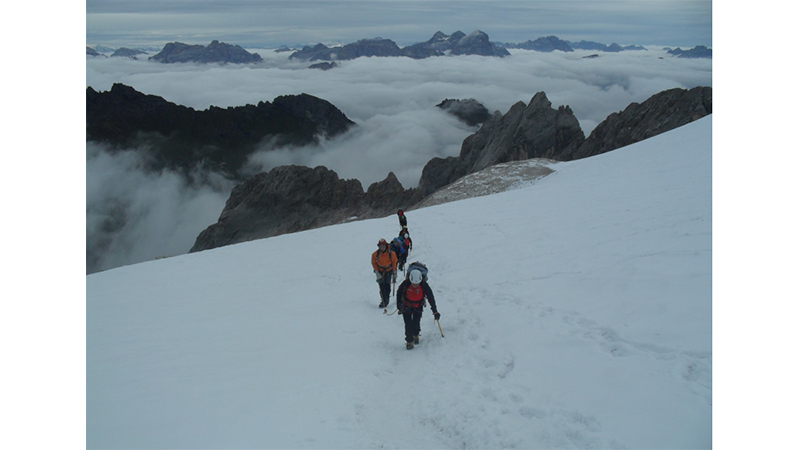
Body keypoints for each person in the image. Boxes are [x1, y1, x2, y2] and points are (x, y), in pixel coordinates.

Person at [396, 269, 440, 349]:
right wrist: (399, 306)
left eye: (417, 284)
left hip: (418, 307)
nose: (415, 285)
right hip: (406, 307)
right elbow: (399, 294)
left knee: (416, 323)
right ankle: (409, 341)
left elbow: (430, 297)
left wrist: (435, 311)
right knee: (408, 325)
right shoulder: (405, 284)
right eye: (413, 283)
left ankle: (415, 334)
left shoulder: (424, 285)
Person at [371, 238, 397, 308]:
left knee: (387, 285)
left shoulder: (392, 254)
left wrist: (394, 273)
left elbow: (394, 263)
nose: (382, 248)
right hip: (380, 271)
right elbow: (374, 263)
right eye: (381, 246)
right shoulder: (375, 255)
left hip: (388, 270)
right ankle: (384, 301)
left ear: (386, 246)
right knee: (381, 286)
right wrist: (377, 272)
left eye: (383, 246)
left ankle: (386, 299)